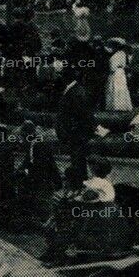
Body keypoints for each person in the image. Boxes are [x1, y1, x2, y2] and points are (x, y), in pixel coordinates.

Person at [53, 56, 97, 190]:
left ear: (66, 78)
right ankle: (79, 182)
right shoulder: (74, 90)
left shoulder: (76, 92)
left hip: (76, 134)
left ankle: (78, 184)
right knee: (77, 159)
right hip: (75, 133)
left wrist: (70, 130)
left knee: (78, 159)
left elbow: (82, 115)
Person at [104, 40, 132, 111]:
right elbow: (125, 64)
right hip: (121, 72)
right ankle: (122, 105)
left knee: (115, 88)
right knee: (122, 88)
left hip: (115, 73)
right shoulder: (123, 54)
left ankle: (116, 106)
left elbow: (112, 67)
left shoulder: (115, 55)